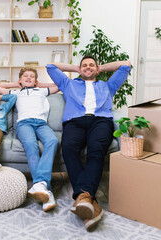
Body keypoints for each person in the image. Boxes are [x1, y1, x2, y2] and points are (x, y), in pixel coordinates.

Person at [46, 56, 131, 231]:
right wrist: (76, 68)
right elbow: (50, 66)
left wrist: (100, 68)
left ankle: (83, 197)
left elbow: (126, 65)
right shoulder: (69, 84)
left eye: (91, 65)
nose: (88, 67)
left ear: (97, 68)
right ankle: (90, 200)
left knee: (96, 150)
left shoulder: (107, 85)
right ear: (79, 68)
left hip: (100, 121)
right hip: (74, 122)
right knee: (68, 148)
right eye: (84, 65)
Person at [0, 67, 59, 212]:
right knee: (31, 145)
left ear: (36, 81)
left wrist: (41, 84)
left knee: (53, 141)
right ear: (20, 80)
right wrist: (16, 84)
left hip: (41, 123)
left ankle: (40, 185)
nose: (28, 78)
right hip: (24, 124)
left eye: (32, 77)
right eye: (25, 76)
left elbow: (59, 85)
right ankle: (45, 189)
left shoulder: (42, 91)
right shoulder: (15, 93)